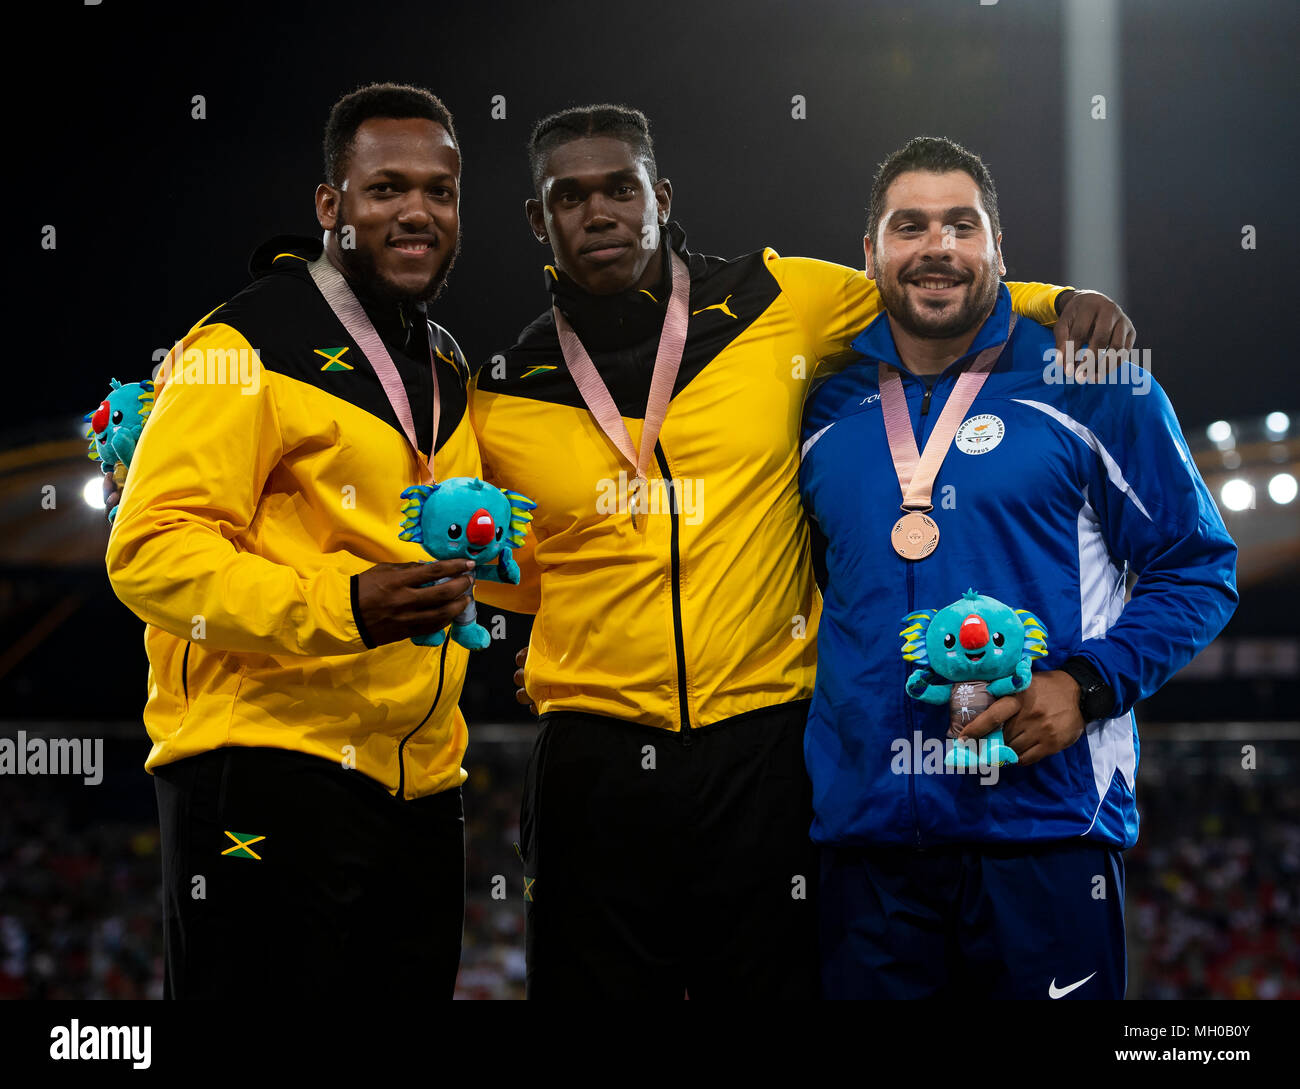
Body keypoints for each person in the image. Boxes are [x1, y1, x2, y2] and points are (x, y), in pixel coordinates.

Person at [470, 104, 1135, 999]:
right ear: (536, 218)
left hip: (766, 752)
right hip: (595, 763)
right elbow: (512, 574)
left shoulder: (775, 300)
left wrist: (1061, 300)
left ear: (660, 196)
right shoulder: (505, 391)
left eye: (621, 188)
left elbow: (930, 283)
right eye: (570, 196)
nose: (600, 213)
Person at [799, 136, 1238, 999]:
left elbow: (1198, 568)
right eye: (910, 226)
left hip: (1047, 831)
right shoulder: (824, 402)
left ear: (999, 246)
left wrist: (1086, 683)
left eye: (963, 225)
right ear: (871, 255)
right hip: (866, 850)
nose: (939, 248)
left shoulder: (1094, 382)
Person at [105, 83, 484, 999]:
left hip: (423, 791)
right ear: (331, 206)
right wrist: (346, 605)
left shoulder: (446, 367)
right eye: (386, 188)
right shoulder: (241, 342)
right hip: (263, 774)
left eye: (439, 190)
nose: (417, 212)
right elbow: (150, 548)